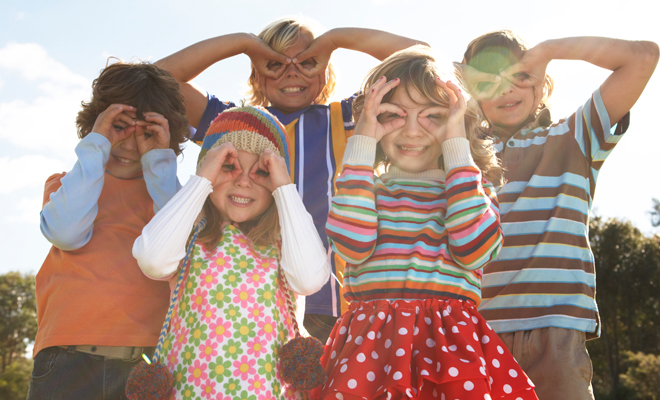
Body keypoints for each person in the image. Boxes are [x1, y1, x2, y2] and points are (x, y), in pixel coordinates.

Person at [155, 17, 425, 342]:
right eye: (275, 64)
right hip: (241, 297)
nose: (292, 73)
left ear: (326, 69)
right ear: (256, 72)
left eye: (308, 62)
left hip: (328, 299)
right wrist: (243, 43)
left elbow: (421, 61)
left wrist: (335, 39)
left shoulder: (344, 119)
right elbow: (156, 80)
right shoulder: (230, 124)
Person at [319, 46, 537, 400]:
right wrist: (361, 142)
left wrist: (455, 145)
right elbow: (351, 245)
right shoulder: (363, 187)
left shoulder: (469, 189)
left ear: (457, 122)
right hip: (371, 346)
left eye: (432, 116)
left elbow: (473, 250)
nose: (412, 130)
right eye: (393, 114)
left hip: (450, 344)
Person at [459, 31, 659, 399]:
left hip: (557, 331)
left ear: (541, 82)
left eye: (519, 75)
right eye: (489, 82)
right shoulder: (463, 157)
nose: (505, 90)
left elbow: (644, 57)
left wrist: (548, 50)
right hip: (479, 333)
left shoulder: (573, 136)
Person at [132, 105, 331, 399]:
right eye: (229, 166)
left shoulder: (285, 240)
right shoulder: (189, 238)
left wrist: (284, 188)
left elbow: (310, 279)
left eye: (261, 172)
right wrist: (203, 178)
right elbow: (152, 259)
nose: (243, 181)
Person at [28, 61, 189, 400]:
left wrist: (159, 162)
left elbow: (184, 248)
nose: (130, 144)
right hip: (68, 361)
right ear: (97, 126)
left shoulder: (174, 200)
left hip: (148, 363)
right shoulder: (66, 185)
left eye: (145, 133)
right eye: (118, 127)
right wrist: (97, 145)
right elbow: (66, 232)